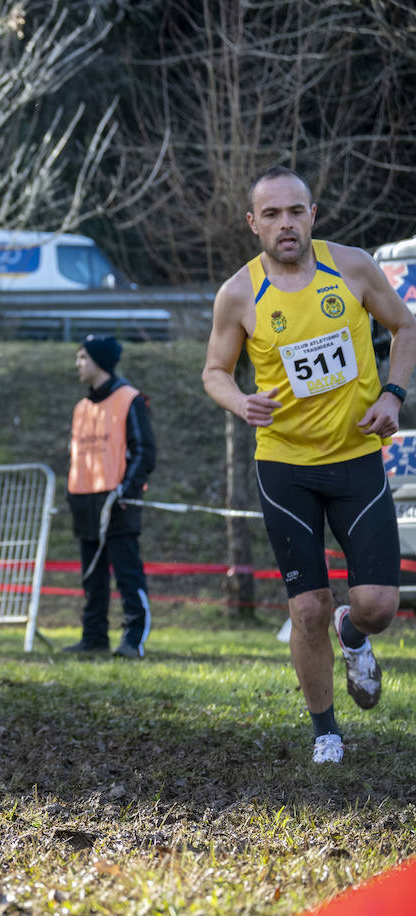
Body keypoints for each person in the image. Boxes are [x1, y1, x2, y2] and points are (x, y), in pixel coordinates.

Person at [202, 165, 416, 765]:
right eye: (271, 214)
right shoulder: (239, 293)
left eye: (295, 211)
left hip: (355, 457)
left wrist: (392, 395)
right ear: (253, 224)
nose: (285, 224)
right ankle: (326, 732)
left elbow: (404, 327)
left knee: (377, 605)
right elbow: (214, 370)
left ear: (313, 214)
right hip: (285, 466)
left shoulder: (351, 267)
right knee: (306, 608)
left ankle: (355, 634)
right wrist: (239, 400)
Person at [63, 335, 156, 659]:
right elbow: (75, 456)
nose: (78, 363)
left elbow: (144, 452)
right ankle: (94, 636)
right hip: (84, 500)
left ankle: (133, 638)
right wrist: (71, 492)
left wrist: (126, 491)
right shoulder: (81, 407)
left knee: (128, 575)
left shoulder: (129, 399)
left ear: (99, 361)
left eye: (82, 357)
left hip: (117, 502)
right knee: (92, 577)